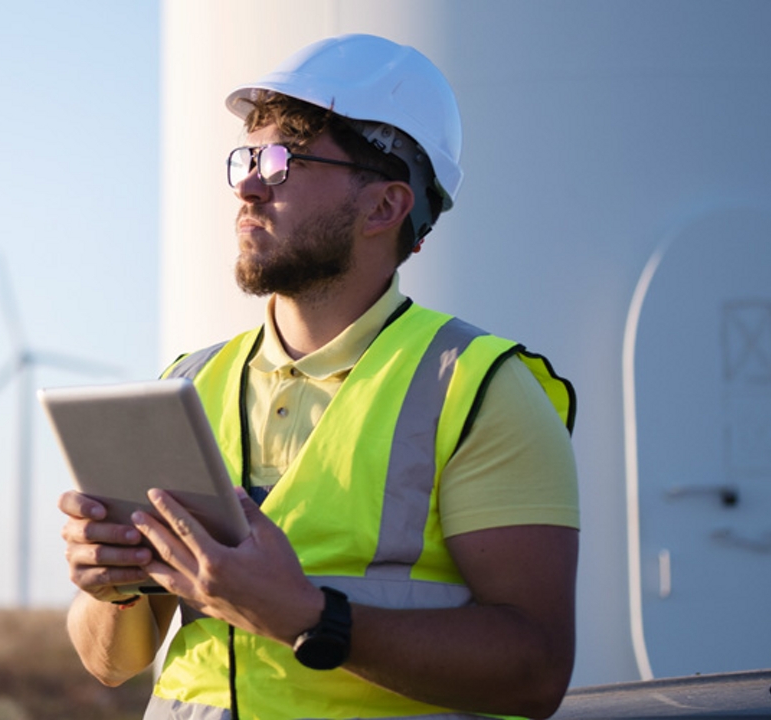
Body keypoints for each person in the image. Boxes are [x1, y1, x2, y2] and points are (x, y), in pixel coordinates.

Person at [59, 34, 579, 720]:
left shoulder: (481, 391)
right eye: (246, 157)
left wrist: (307, 618)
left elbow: (534, 672)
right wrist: (110, 587)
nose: (247, 184)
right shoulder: (188, 385)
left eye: (280, 161)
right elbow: (109, 662)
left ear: (385, 207)